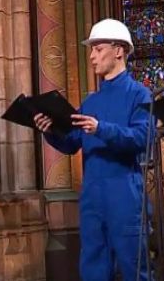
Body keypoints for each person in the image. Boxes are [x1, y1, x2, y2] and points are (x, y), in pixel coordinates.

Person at [33, 18, 154, 281]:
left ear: (119, 51)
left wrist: (101, 128)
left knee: (134, 268)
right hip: (92, 196)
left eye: (98, 49)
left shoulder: (139, 94)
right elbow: (71, 143)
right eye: (91, 50)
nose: (91, 56)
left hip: (125, 192)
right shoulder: (91, 101)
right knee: (93, 269)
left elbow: (143, 138)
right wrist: (50, 130)